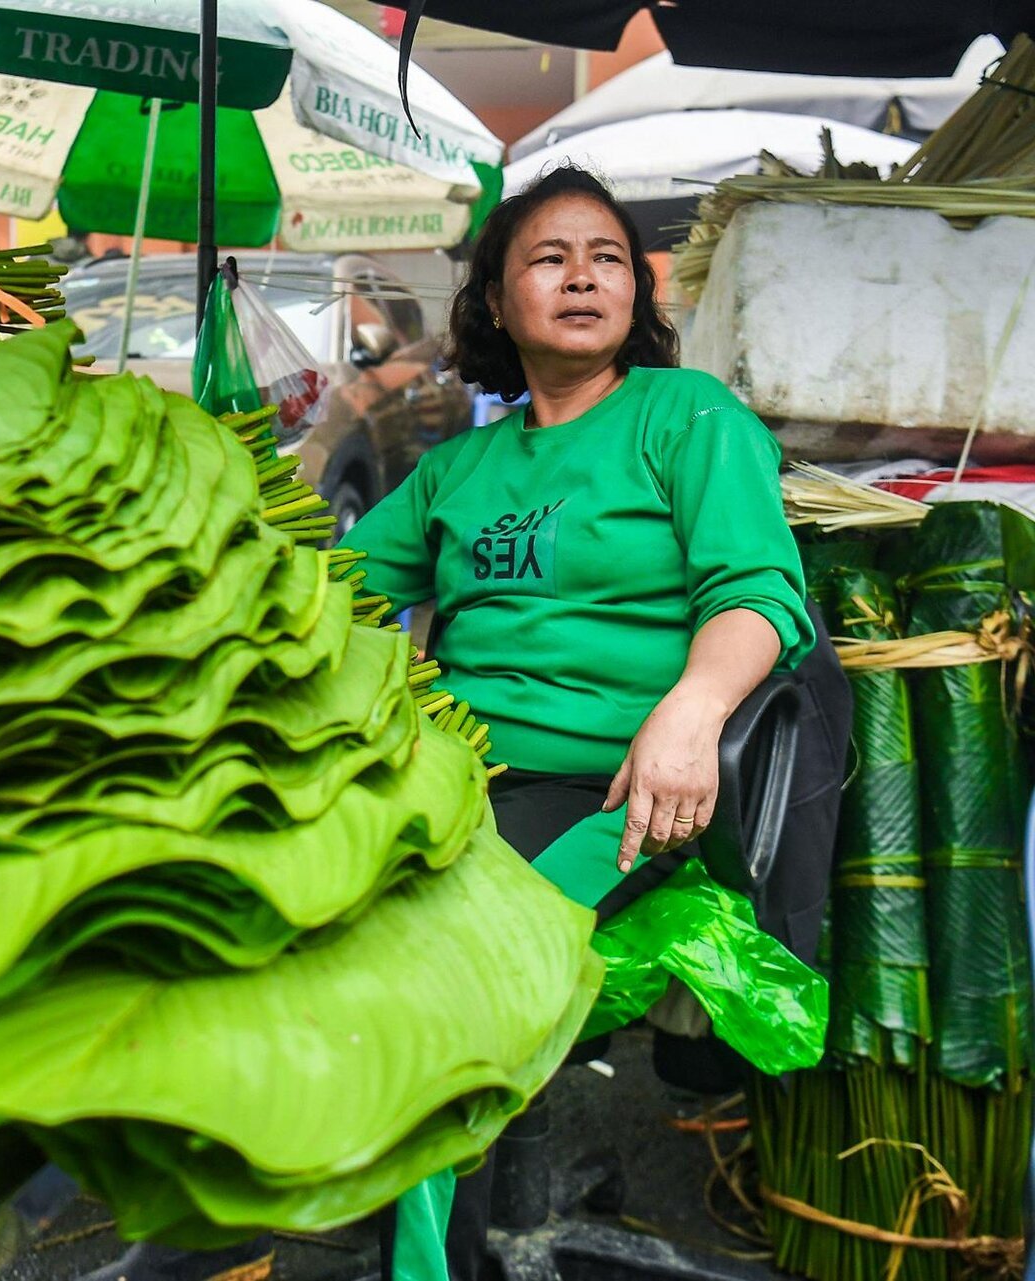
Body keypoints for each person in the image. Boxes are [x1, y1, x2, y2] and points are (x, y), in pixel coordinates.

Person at [337, 165, 814, 1280]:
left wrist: (691, 711)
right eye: (547, 259)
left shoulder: (685, 416)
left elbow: (758, 595)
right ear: (496, 303)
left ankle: (425, 1267)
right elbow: (333, 594)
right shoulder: (460, 466)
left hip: (624, 784)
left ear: (636, 296)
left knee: (452, 972)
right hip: (454, 776)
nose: (583, 275)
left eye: (606, 257)